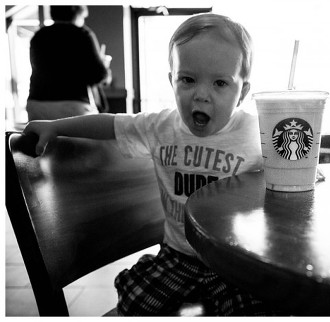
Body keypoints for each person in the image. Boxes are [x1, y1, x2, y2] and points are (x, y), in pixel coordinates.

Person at [24, 13, 279, 316]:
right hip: (176, 256)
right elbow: (110, 125)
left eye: (220, 83)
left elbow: (289, 170)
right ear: (172, 80)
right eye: (187, 79)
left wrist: (301, 172)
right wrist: (57, 127)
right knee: (136, 304)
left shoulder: (256, 132)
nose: (201, 94)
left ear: (242, 93)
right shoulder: (161, 126)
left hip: (233, 259)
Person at [26, 5, 110, 121]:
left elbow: (35, 66)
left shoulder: (38, 36)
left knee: (42, 138)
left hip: (37, 103)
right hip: (73, 104)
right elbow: (99, 75)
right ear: (77, 13)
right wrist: (104, 64)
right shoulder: (83, 34)